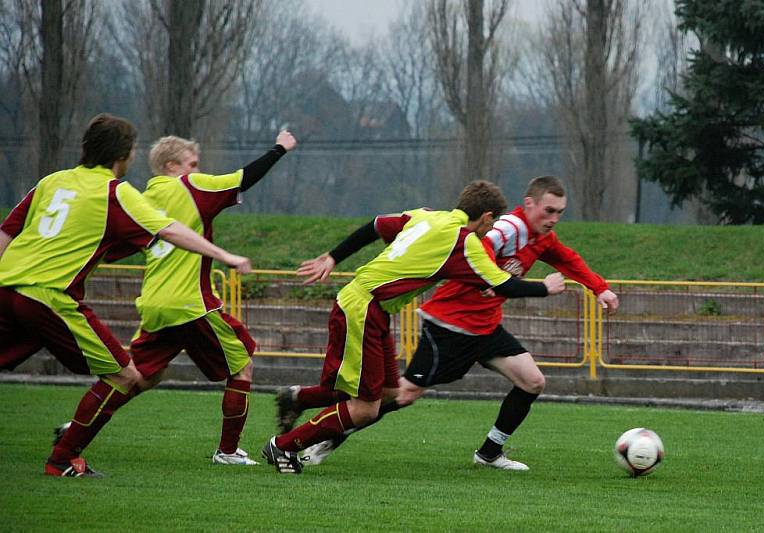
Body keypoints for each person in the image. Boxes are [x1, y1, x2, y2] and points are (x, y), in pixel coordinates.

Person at [284, 176, 619, 471]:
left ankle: (489, 453)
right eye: (549, 211)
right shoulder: (503, 230)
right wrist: (508, 283)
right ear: (528, 204)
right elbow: (474, 251)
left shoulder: (539, 238)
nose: (554, 219)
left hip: (486, 327)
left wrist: (600, 288)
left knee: (533, 381)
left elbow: (566, 258)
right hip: (451, 324)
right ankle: (324, 439)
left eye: (560, 212)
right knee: (400, 394)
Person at [0, 113, 252, 477]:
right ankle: (62, 460)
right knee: (123, 376)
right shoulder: (115, 192)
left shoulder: (51, 182)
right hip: (49, 296)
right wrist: (224, 255)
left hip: (8, 291)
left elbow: (7, 233)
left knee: (139, 375)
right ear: (125, 155)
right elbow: (170, 230)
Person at [54, 130, 297, 467]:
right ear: (171, 166)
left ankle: (75, 428)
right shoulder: (192, 187)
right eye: (192, 164)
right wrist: (279, 148)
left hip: (155, 305)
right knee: (242, 367)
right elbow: (244, 178)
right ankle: (227, 452)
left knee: (140, 376)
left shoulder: (140, 198)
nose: (198, 170)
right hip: (192, 302)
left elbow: (112, 248)